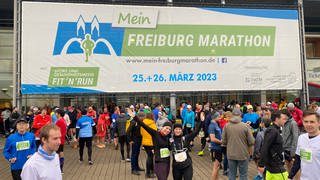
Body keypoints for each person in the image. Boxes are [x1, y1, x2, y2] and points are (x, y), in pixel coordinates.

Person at [136, 115, 172, 180]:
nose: (168, 130)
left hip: (167, 162)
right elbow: (144, 126)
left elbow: (170, 148)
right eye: (166, 128)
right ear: (162, 127)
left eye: (169, 129)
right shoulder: (155, 134)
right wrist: (135, 117)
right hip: (159, 162)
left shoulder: (168, 137)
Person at [222, 108, 255, 180]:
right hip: (243, 154)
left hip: (231, 154)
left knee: (232, 174)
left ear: (232, 115)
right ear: (240, 115)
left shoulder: (226, 126)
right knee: (243, 175)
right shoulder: (245, 126)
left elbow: (223, 141)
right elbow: (251, 141)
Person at [289, 110, 320, 180]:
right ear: (302, 122)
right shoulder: (301, 138)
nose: (308, 124)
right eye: (306, 122)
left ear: (319, 123)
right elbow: (298, 160)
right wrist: (290, 176)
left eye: (312, 122)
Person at [258, 110, 288, 180]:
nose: (285, 121)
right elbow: (265, 147)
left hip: (273, 167)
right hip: (276, 168)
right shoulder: (272, 131)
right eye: (283, 119)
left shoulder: (276, 130)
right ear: (277, 119)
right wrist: (261, 164)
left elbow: (277, 148)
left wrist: (288, 157)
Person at [140, 108, 157, 178]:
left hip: (145, 142)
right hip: (151, 143)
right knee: (150, 157)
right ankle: (148, 173)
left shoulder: (143, 123)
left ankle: (152, 171)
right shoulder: (152, 124)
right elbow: (155, 133)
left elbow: (141, 133)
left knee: (149, 156)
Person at [281, 109, 299, 174]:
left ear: (286, 115)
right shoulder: (284, 123)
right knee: (288, 168)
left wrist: (293, 152)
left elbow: (295, 138)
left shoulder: (293, 123)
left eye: (282, 116)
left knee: (294, 170)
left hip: (291, 150)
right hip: (285, 148)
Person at [208, 112, 223, 180]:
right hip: (215, 148)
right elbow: (213, 139)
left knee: (217, 167)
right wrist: (222, 142)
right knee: (215, 167)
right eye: (219, 116)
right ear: (215, 117)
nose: (220, 118)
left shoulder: (216, 124)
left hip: (218, 148)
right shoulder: (212, 126)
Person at [55, 109, 67, 173]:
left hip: (58, 139)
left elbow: (55, 130)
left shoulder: (59, 121)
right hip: (62, 139)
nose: (55, 114)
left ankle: (58, 168)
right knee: (61, 152)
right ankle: (61, 168)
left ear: (59, 114)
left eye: (56, 113)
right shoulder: (63, 120)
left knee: (57, 154)